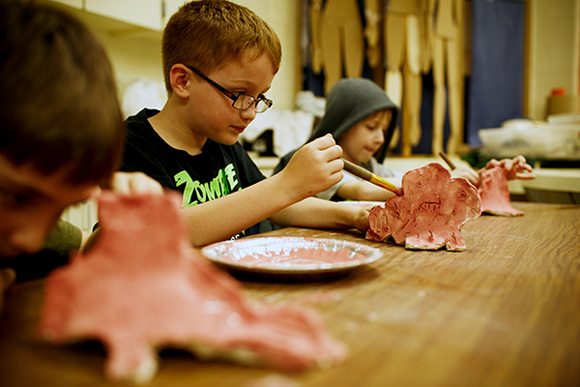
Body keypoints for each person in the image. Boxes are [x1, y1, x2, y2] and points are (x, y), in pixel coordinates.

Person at [121, 0, 370, 247]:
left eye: (259, 97)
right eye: (240, 93)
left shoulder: (219, 138)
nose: (251, 113)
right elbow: (165, 231)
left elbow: (276, 205)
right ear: (183, 81)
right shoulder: (131, 143)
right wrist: (286, 183)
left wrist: (355, 215)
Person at [0, 1, 163, 312]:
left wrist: (124, 229)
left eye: (63, 208)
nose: (32, 241)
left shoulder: (36, 234)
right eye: (17, 199)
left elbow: (83, 246)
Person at [274, 77, 534, 202]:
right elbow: (363, 190)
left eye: (384, 130)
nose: (380, 138)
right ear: (343, 123)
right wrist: (445, 179)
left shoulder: (370, 167)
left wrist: (483, 174)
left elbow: (406, 176)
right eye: (371, 126)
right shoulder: (314, 163)